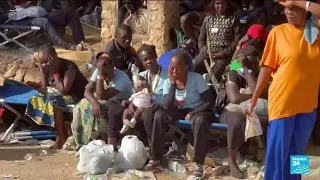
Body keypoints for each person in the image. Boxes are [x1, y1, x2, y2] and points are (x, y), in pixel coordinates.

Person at [248, 1, 320, 180]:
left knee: (298, 153)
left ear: (306, 11)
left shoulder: (316, 33)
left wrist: (297, 1)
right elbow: (266, 67)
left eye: (294, 9)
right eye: (287, 8)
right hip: (283, 102)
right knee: (277, 154)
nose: (289, 12)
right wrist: (255, 97)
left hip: (307, 104)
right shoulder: (278, 32)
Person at [145, 51, 215, 179]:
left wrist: (193, 112)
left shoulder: (196, 79)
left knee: (199, 121)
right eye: (172, 67)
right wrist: (173, 83)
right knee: (160, 115)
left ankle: (199, 164)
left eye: (178, 67)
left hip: (199, 110)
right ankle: (155, 157)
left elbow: (209, 102)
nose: (175, 70)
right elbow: (167, 106)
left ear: (186, 67)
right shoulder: (168, 81)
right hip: (180, 110)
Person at [26, 44, 88, 149]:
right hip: (62, 95)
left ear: (55, 56)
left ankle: (61, 136)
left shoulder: (69, 66)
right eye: (42, 62)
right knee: (35, 99)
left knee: (54, 102)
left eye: (46, 61)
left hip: (78, 96)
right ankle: (59, 130)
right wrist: (40, 76)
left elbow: (64, 91)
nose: (44, 64)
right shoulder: (46, 67)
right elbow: (45, 89)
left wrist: (55, 72)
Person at [219, 45, 268, 178]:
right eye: (249, 63)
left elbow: (258, 91)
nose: (253, 66)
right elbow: (234, 98)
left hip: (251, 111)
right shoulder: (233, 74)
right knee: (237, 120)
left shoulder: (256, 74)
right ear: (242, 62)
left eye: (254, 63)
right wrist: (254, 95)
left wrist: (248, 71)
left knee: (271, 120)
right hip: (230, 111)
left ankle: (268, 159)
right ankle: (232, 160)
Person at [66, 52, 133, 149]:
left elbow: (102, 95)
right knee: (80, 106)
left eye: (106, 73)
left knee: (100, 109)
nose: (105, 76)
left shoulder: (121, 77)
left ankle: (105, 144)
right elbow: (87, 91)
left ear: (113, 67)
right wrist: (94, 102)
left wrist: (101, 76)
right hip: (105, 100)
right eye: (101, 72)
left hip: (121, 102)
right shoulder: (98, 71)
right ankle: (82, 140)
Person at [12, 0, 86, 51]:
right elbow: (17, 6)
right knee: (45, 22)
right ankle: (67, 45)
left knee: (70, 12)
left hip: (39, 12)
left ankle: (80, 41)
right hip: (23, 18)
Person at [198, 0, 240, 81]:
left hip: (223, 54)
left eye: (223, 3)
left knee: (210, 79)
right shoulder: (208, 19)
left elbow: (236, 41)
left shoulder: (233, 19)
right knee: (190, 69)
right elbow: (201, 39)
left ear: (227, 4)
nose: (220, 6)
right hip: (207, 51)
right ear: (213, 4)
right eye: (218, 3)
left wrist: (223, 53)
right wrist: (205, 50)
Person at [135, 44, 168, 144]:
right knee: (129, 109)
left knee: (147, 114)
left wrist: (148, 89)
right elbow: (138, 95)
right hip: (146, 105)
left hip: (162, 105)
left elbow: (169, 96)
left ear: (156, 56)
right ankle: (139, 142)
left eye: (151, 57)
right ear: (141, 61)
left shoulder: (167, 74)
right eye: (145, 60)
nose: (149, 61)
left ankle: (153, 145)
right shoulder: (141, 76)